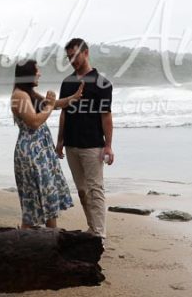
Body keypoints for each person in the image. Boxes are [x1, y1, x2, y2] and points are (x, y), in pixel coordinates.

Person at [11, 59, 83, 229]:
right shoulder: (19, 95)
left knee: (49, 197)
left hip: (40, 152)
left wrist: (73, 97)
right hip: (31, 154)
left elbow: (54, 105)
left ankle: (52, 235)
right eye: (37, 71)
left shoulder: (29, 93)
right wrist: (50, 105)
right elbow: (34, 122)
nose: (40, 73)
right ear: (28, 74)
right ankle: (28, 239)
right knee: (34, 202)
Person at [56, 38, 114, 239]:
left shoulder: (102, 83)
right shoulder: (67, 83)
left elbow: (106, 116)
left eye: (75, 56)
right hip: (71, 144)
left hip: (93, 145)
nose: (72, 60)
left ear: (86, 53)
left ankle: (99, 234)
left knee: (95, 189)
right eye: (69, 57)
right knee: (82, 191)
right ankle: (92, 228)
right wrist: (60, 141)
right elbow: (64, 113)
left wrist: (108, 146)